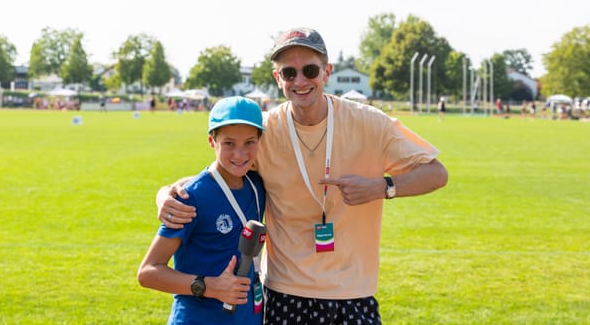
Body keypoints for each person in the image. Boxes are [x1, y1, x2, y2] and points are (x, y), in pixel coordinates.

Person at [157, 28, 448, 324]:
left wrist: (381, 187)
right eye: (289, 72)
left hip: (353, 292)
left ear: (327, 72)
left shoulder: (371, 123)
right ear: (277, 78)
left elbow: (436, 173)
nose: (300, 81)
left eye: (310, 70)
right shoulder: (264, 131)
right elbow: (217, 176)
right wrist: (166, 193)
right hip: (285, 293)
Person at [138, 96, 267, 325]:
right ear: (211, 141)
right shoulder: (190, 198)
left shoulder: (257, 185)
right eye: (229, 143)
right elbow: (148, 272)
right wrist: (208, 286)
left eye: (249, 142)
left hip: (247, 317)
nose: (240, 154)